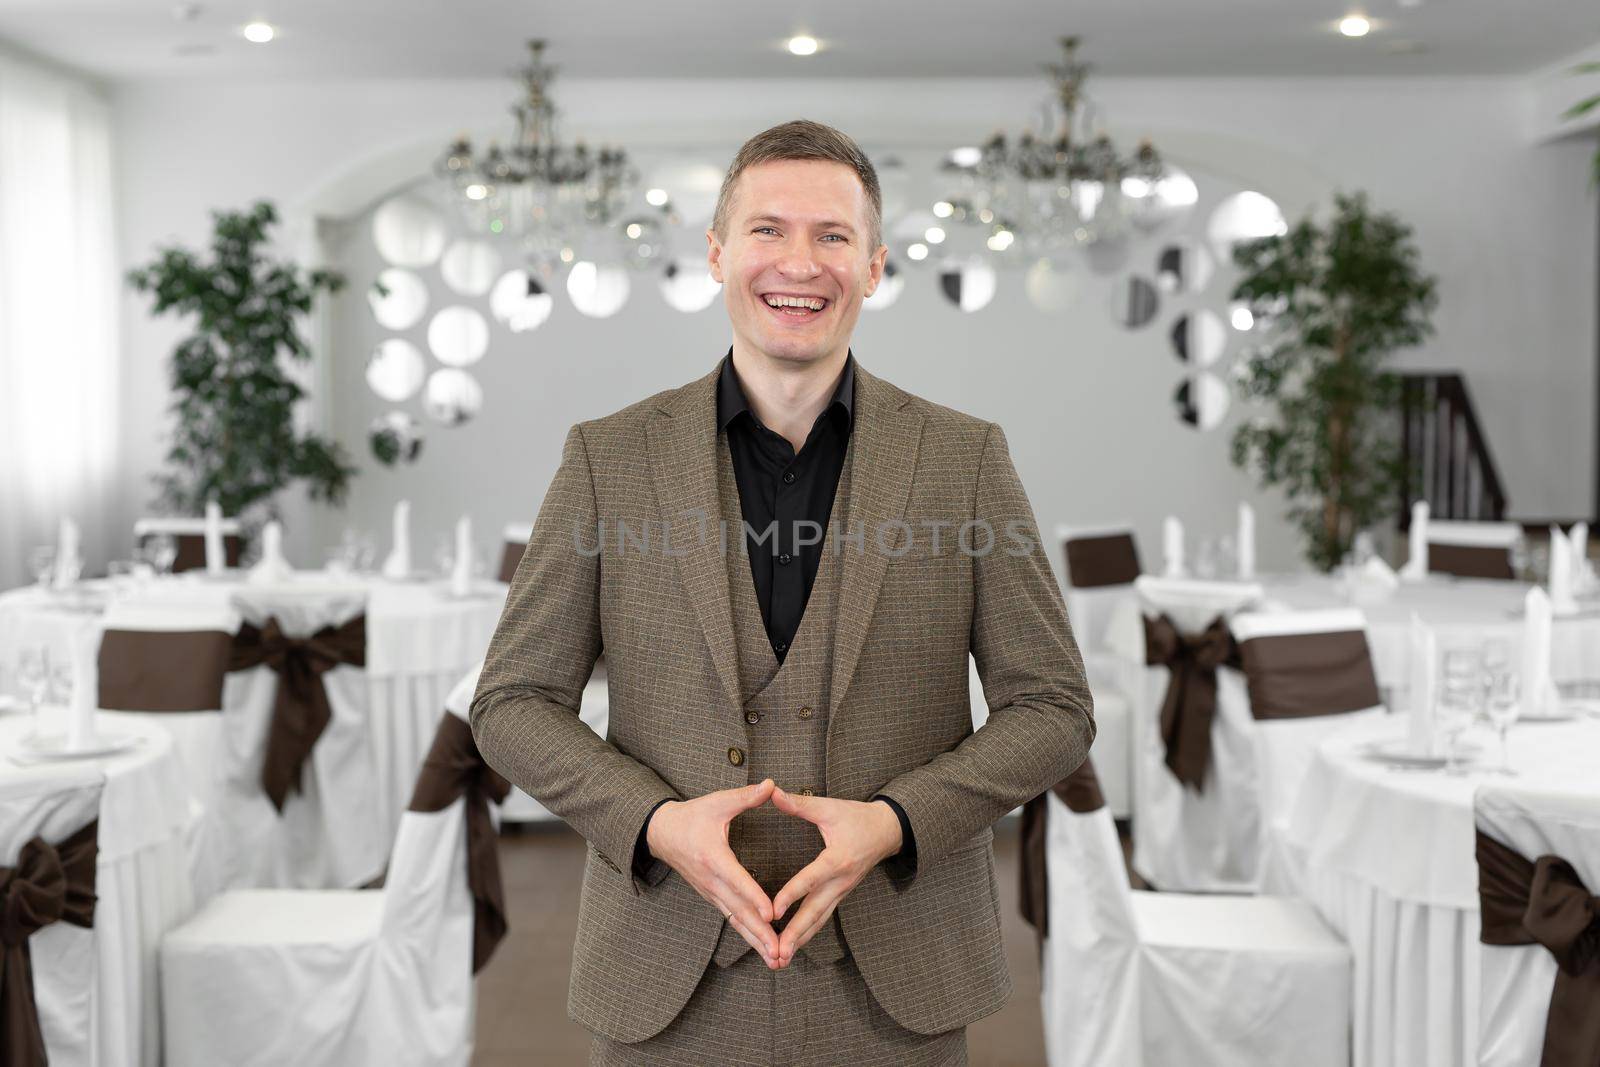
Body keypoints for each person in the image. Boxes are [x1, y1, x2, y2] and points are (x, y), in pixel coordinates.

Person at [471, 118, 1095, 1066]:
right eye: (767, 230)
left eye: (833, 235)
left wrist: (895, 821)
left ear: (875, 266)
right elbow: (512, 704)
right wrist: (653, 821)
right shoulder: (608, 457)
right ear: (718, 254)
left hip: (901, 979)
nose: (799, 262)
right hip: (665, 976)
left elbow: (1052, 707)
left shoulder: (966, 460)